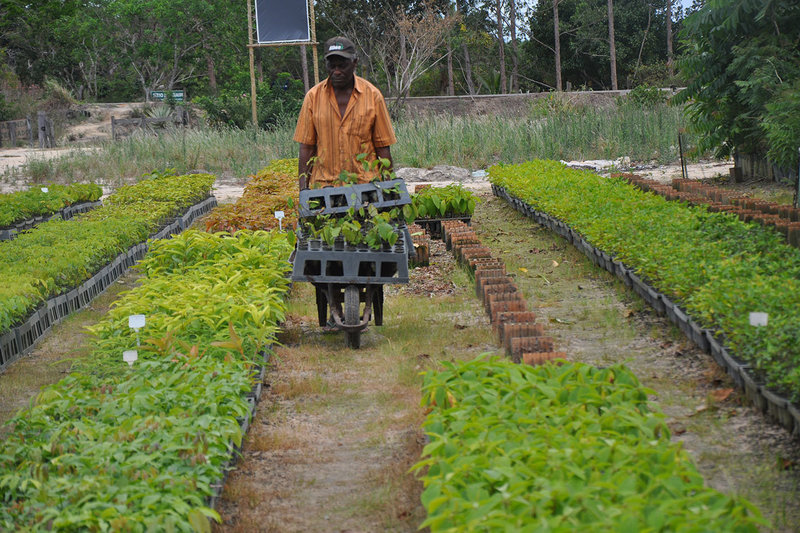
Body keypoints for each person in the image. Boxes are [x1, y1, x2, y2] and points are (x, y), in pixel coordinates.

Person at [294, 36, 397, 190]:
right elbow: (306, 148)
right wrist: (303, 191)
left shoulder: (373, 96)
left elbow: (383, 147)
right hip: (325, 186)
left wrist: (390, 190)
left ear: (354, 63)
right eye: (332, 66)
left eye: (342, 66)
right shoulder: (313, 98)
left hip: (365, 185)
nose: (336, 72)